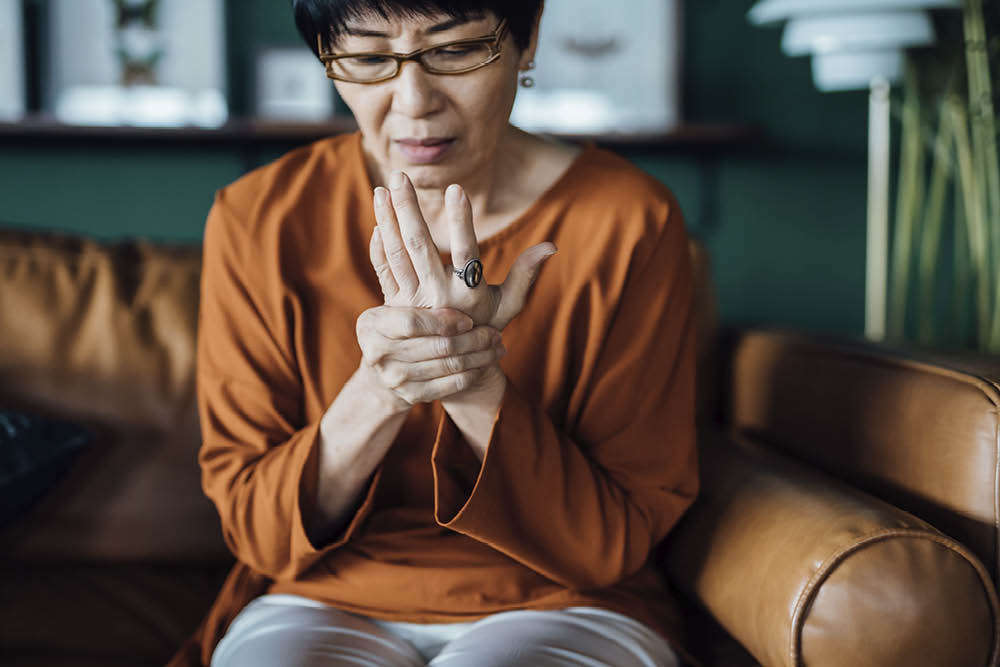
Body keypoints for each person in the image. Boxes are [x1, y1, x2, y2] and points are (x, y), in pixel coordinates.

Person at [169, 1, 699, 665]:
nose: (414, 102)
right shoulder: (258, 217)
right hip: (322, 595)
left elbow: (609, 543)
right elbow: (259, 532)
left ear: (527, 40)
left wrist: (474, 380)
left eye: (454, 51)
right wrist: (384, 387)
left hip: (567, 599)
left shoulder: (629, 219)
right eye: (367, 59)